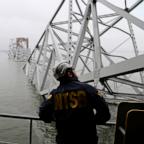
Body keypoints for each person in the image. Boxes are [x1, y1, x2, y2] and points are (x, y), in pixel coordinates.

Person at [39, 61, 111, 144]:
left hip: (64, 140)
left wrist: (56, 118)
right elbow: (104, 112)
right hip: (88, 139)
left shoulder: (55, 94)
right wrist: (93, 122)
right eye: (73, 71)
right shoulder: (88, 89)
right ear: (69, 74)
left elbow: (43, 113)